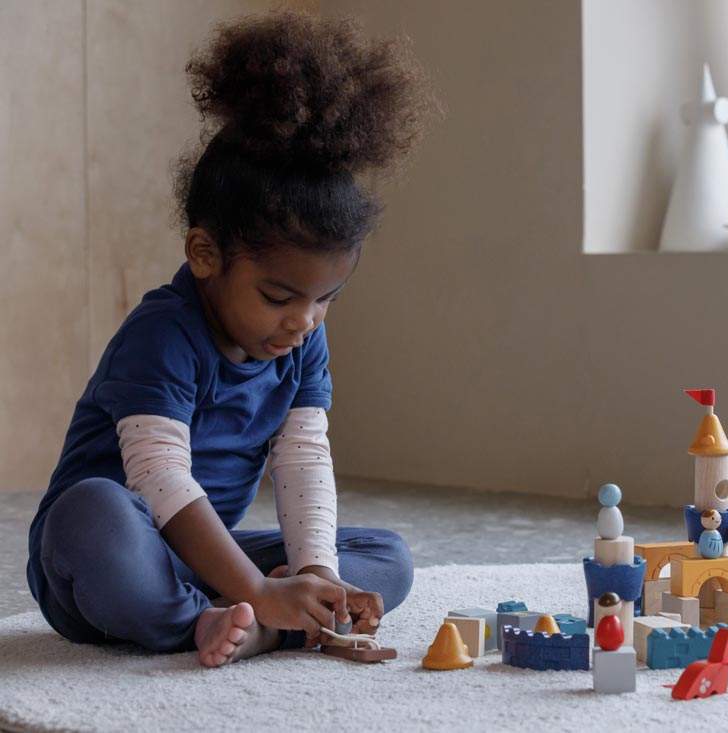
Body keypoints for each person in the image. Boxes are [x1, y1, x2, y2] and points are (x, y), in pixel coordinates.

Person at [25, 10, 434, 668]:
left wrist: (319, 577)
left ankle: (251, 624)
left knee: (388, 558)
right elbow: (158, 479)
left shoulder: (300, 338)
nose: (302, 321)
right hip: (111, 554)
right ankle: (226, 618)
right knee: (90, 512)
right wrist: (257, 588)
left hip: (207, 561)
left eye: (326, 299)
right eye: (279, 296)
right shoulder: (162, 333)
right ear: (205, 253)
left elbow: (301, 459)